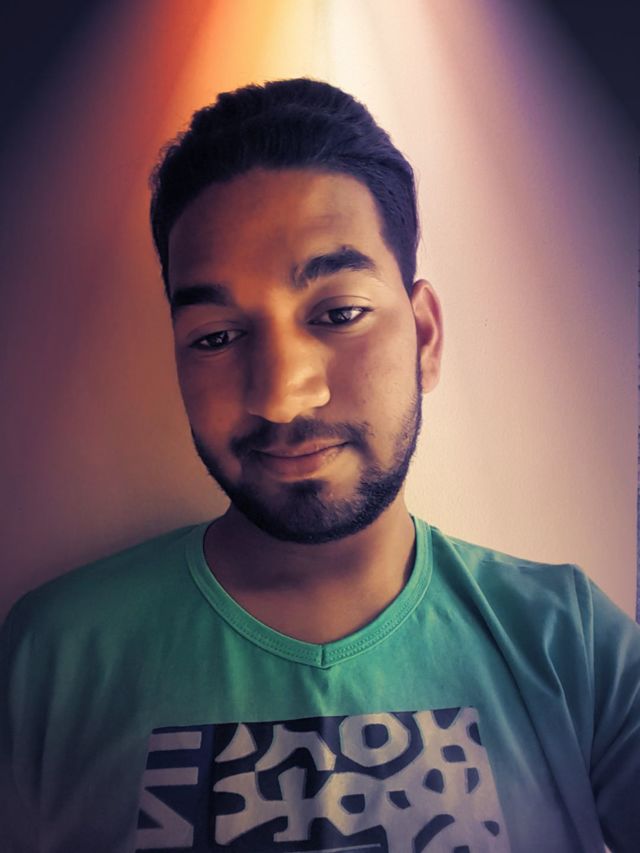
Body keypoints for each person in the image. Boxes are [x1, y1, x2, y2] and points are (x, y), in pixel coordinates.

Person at [1, 78, 638, 853]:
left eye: (339, 313)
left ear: (425, 336)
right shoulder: (52, 659)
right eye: (216, 336)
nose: (281, 396)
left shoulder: (569, 642)